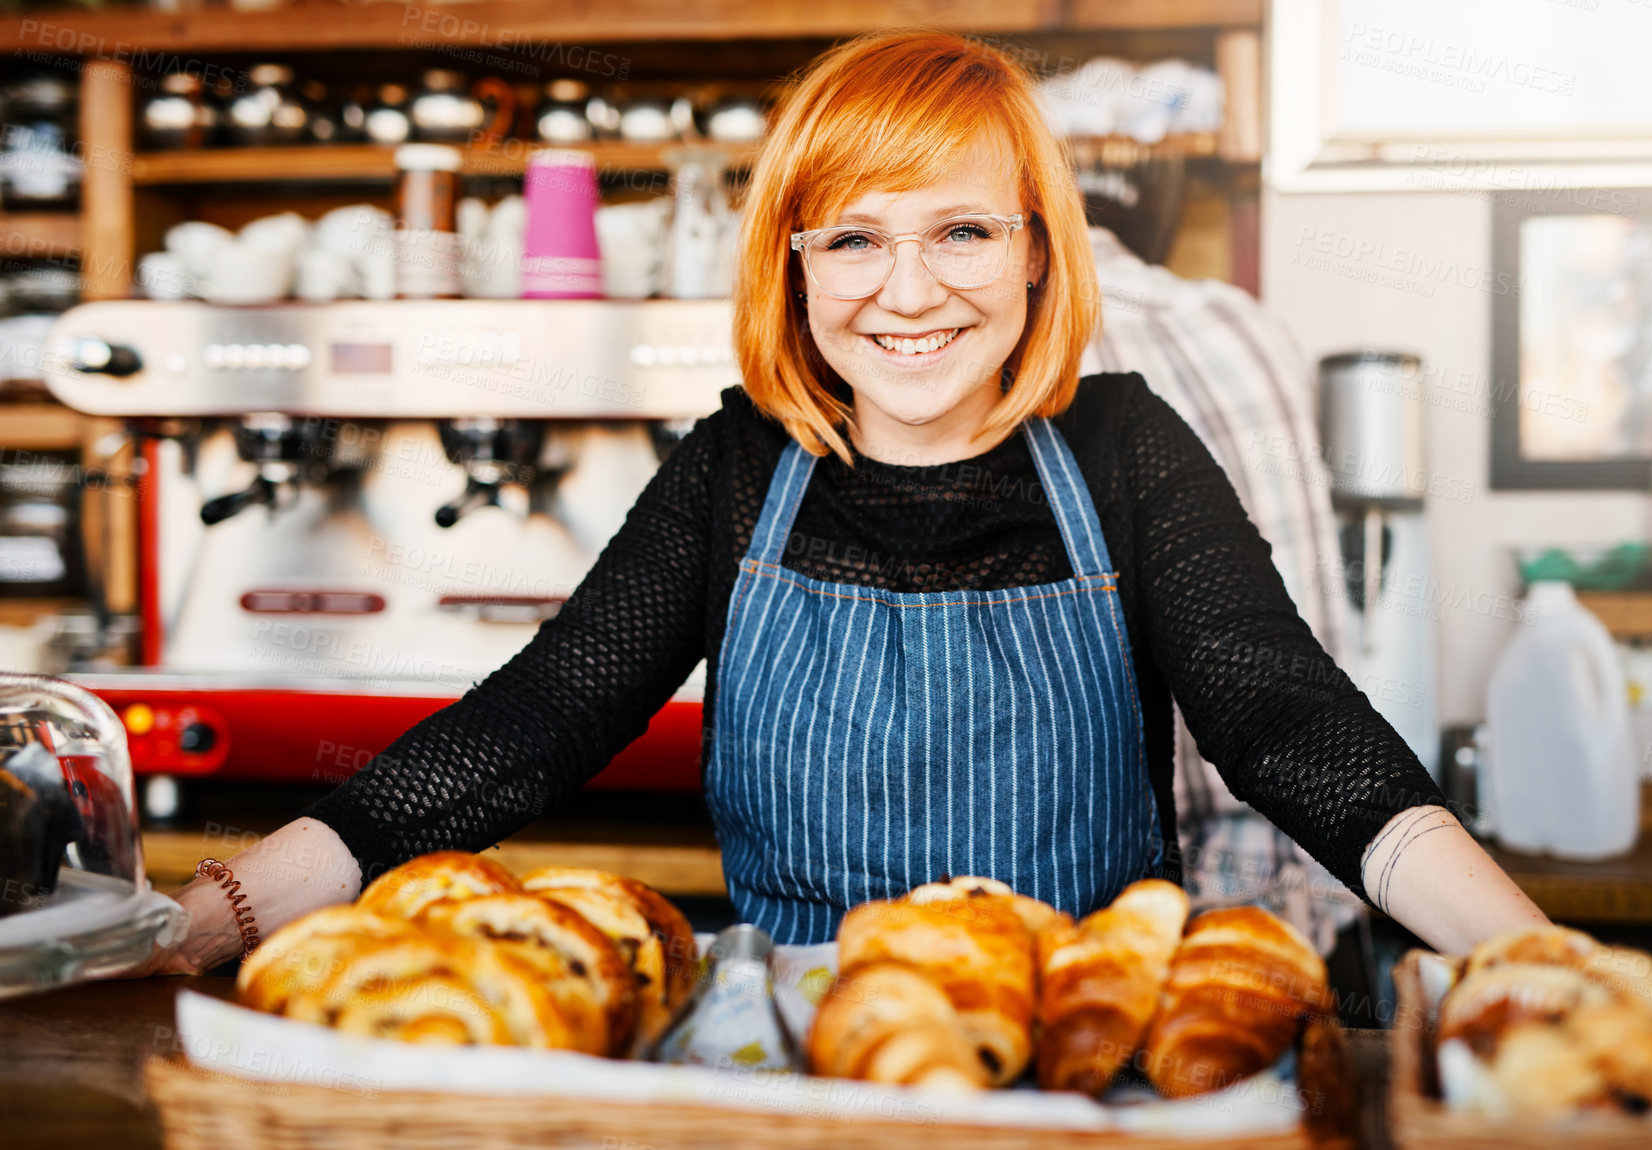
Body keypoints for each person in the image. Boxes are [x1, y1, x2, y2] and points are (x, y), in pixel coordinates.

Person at [137, 31, 1548, 973]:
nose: (909, 289)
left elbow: (1287, 723)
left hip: (1073, 1045)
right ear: (795, 268)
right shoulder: (736, 463)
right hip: (801, 1054)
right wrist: (213, 916)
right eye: (855, 239)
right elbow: (530, 722)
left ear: (1039, 256)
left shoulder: (1123, 446)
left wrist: (1535, 957)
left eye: (961, 232)